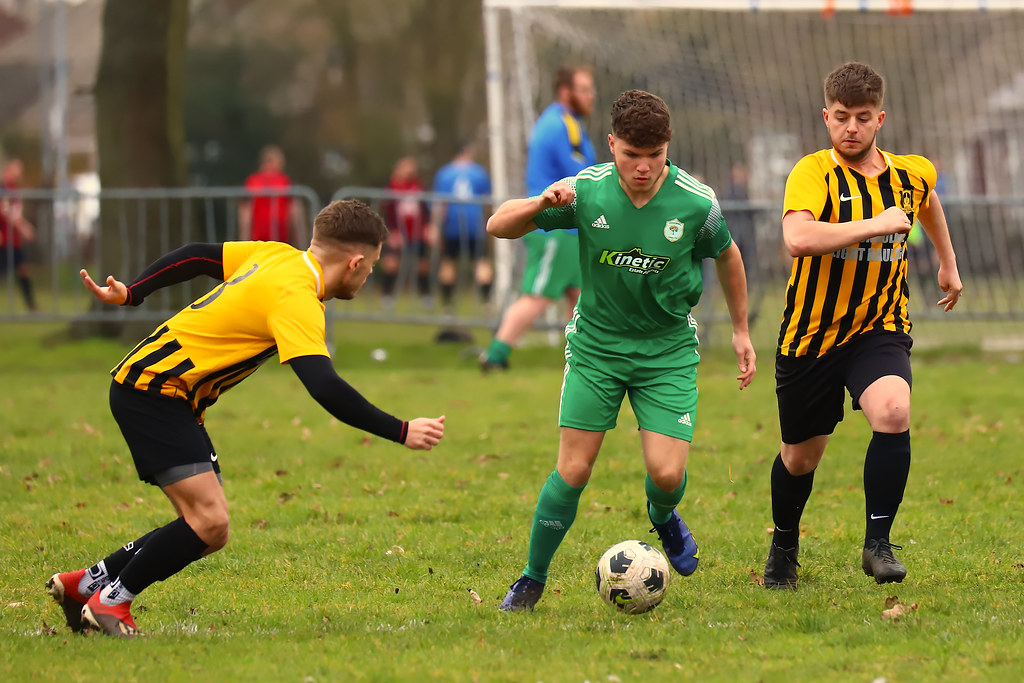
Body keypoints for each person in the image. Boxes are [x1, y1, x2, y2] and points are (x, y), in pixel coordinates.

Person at [47, 199, 446, 637]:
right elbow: (325, 387)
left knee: (206, 526)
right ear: (354, 262)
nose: (369, 275)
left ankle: (86, 584)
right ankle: (110, 604)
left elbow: (195, 255)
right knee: (210, 521)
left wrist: (134, 291)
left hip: (161, 390)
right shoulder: (298, 300)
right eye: (370, 266)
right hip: (155, 391)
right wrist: (401, 430)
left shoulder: (276, 254)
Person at [489, 89, 756, 611]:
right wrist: (541, 204)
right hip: (597, 350)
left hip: (667, 352)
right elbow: (499, 225)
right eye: (631, 154)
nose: (642, 167)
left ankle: (662, 516)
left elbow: (728, 256)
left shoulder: (696, 202)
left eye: (654, 156)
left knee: (666, 474)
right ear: (611, 144)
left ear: (667, 147)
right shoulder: (584, 192)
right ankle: (531, 578)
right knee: (574, 469)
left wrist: (741, 330)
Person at [762, 62, 963, 590]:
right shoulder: (812, 173)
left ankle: (878, 543)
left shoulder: (910, 172)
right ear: (826, 117)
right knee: (800, 458)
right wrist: (873, 225)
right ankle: (784, 540)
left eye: (863, 118)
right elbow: (799, 239)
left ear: (881, 119)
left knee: (894, 411)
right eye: (842, 118)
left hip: (880, 328)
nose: (852, 128)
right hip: (811, 337)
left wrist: (948, 262)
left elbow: (929, 200)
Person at [479, 65, 597, 371]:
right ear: (565, 92)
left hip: (569, 230)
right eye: (584, 89)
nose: (590, 95)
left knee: (581, 296)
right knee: (538, 295)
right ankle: (494, 357)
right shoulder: (560, 124)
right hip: (554, 227)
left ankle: (588, 360)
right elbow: (580, 173)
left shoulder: (569, 123)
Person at [429, 141, 493, 311]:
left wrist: (435, 226)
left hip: (453, 223)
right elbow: (488, 201)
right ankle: (486, 301)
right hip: (475, 223)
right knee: (481, 261)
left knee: (449, 261)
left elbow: (438, 204)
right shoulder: (479, 173)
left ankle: (448, 304)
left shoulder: (444, 174)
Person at [380, 156, 433, 308]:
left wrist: (427, 226)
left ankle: (426, 296)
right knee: (391, 263)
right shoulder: (391, 188)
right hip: (397, 233)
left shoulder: (418, 186)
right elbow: (385, 212)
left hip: (416, 232)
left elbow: (425, 209)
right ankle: (387, 296)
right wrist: (390, 232)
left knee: (422, 264)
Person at [0, 159, 37, 311]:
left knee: (22, 269)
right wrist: (24, 227)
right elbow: (6, 212)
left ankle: (31, 305)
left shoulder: (14, 189)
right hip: (3, 239)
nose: (20, 172)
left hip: (14, 240)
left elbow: (14, 213)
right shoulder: (3, 187)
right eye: (17, 169)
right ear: (8, 169)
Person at [239, 145, 296, 244]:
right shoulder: (284, 181)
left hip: (257, 239)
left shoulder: (252, 181)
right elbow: (293, 212)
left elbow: (245, 214)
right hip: (279, 238)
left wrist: (243, 239)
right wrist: (297, 236)